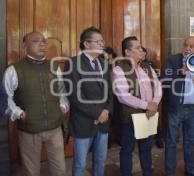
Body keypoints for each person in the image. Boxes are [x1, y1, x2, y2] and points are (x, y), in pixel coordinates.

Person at [3, 31, 69, 176]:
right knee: (31, 171)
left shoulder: (54, 66)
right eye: (36, 41)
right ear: (24, 46)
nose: (42, 44)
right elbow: (5, 98)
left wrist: (63, 106)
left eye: (44, 41)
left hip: (55, 128)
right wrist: (19, 113)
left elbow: (62, 91)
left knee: (60, 170)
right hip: (29, 130)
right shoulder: (14, 69)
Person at [64, 26, 113, 176]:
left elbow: (110, 92)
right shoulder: (73, 63)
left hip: (103, 123)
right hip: (83, 122)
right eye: (98, 42)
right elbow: (75, 96)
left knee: (100, 160)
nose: (102, 45)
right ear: (86, 44)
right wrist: (98, 113)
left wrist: (106, 111)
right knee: (80, 164)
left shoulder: (104, 64)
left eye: (102, 41)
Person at [112, 36, 162, 176]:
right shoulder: (119, 69)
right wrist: (147, 105)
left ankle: (148, 173)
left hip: (148, 114)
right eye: (138, 48)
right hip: (130, 117)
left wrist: (154, 103)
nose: (142, 50)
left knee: (146, 148)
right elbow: (123, 96)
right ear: (127, 52)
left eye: (141, 47)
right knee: (127, 150)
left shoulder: (147, 67)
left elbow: (157, 85)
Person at [163, 36, 194, 176]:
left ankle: (190, 170)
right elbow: (165, 79)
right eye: (185, 45)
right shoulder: (172, 60)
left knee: (190, 141)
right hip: (175, 108)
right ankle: (170, 172)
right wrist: (180, 72)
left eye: (191, 46)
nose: (188, 48)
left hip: (191, 108)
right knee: (171, 141)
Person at [141, 46, 164, 149]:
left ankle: (158, 139)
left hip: (153, 99)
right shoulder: (131, 65)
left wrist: (155, 101)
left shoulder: (149, 65)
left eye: (144, 53)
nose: (142, 54)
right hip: (140, 101)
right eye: (140, 52)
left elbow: (157, 79)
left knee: (155, 121)